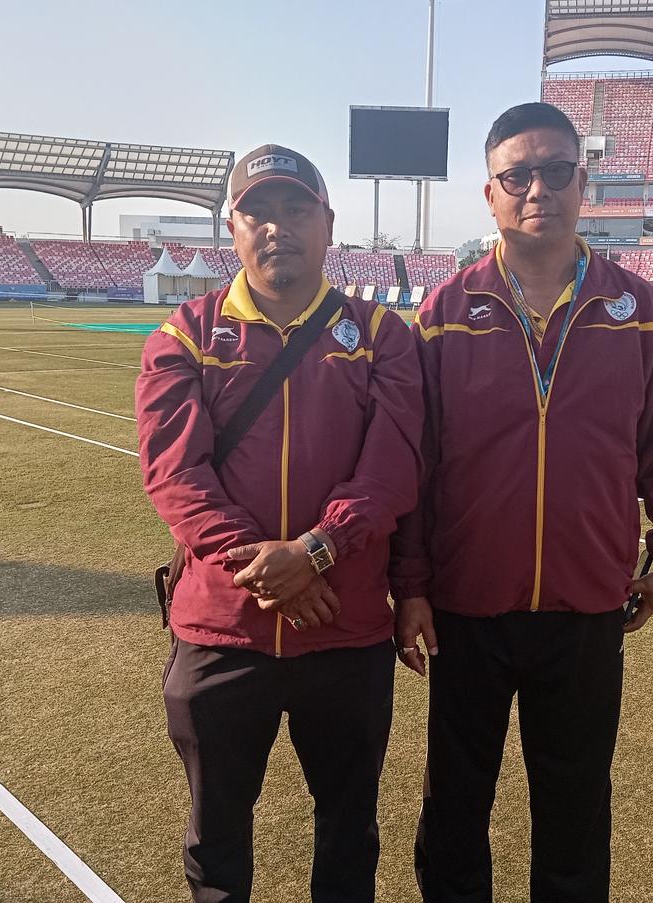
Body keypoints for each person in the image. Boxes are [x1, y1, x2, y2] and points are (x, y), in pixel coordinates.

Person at [390, 102, 653, 903]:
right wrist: (413, 585)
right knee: (456, 807)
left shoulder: (642, 313)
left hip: (586, 610)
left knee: (574, 813)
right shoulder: (441, 317)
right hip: (467, 611)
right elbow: (414, 468)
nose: (539, 188)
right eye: (518, 175)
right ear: (491, 194)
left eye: (556, 170)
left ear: (583, 180)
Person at [135, 143, 423, 903]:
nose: (277, 226)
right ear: (232, 226)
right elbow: (176, 475)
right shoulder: (184, 336)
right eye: (258, 210)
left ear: (328, 226)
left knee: (348, 835)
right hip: (224, 631)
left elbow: (393, 469)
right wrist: (273, 571)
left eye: (296, 209)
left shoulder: (384, 334)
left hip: (347, 631)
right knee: (216, 836)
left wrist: (318, 550)